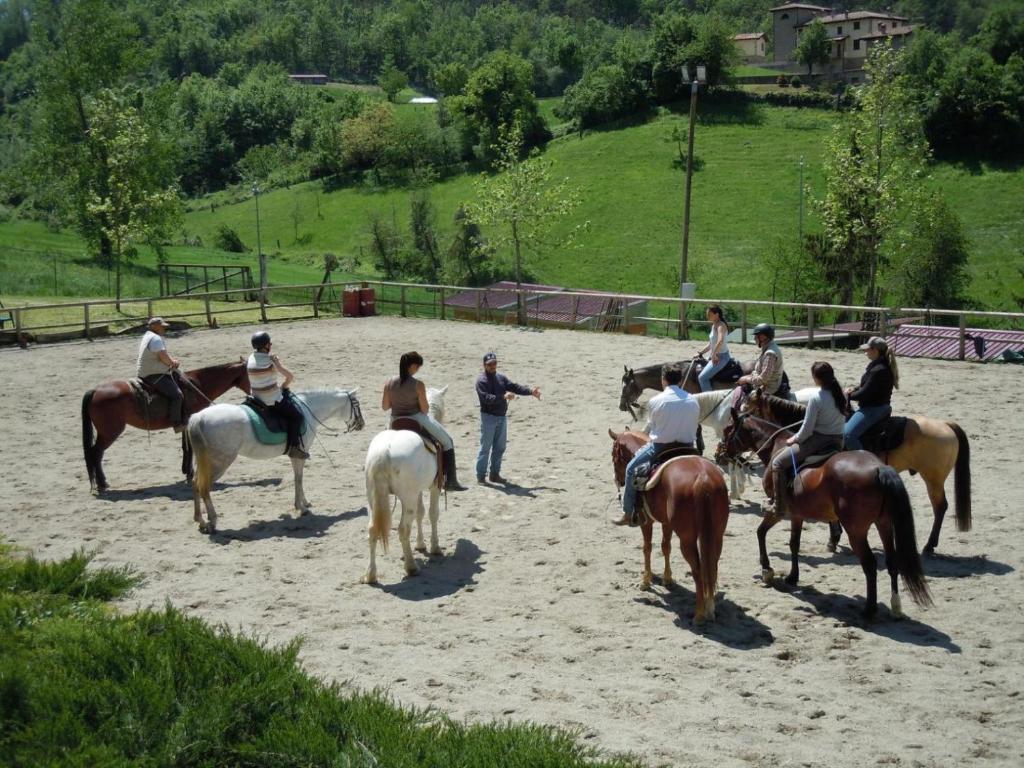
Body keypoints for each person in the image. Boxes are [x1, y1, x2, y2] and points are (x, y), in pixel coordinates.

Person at [612, 364, 700, 526]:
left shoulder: (656, 401)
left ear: (663, 380)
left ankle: (628, 512)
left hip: (662, 448)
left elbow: (650, 428)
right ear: (680, 380)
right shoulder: (693, 400)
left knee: (631, 469)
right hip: (689, 447)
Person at [765, 361, 846, 516]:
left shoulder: (816, 398)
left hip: (819, 440)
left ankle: (779, 506)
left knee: (778, 463)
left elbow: (807, 431)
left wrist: (794, 439)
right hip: (839, 439)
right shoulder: (840, 393)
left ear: (816, 378)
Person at [383, 351, 466, 491]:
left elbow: (385, 407)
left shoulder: (389, 383)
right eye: (418, 367)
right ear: (413, 366)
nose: (417, 370)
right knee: (447, 441)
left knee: (383, 446)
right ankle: (451, 481)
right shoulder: (418, 385)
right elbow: (425, 409)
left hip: (395, 420)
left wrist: (398, 402)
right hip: (416, 418)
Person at [475, 351, 541, 484]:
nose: (492, 366)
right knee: (485, 448)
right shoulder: (481, 381)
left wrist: (530, 392)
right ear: (484, 365)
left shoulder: (501, 378)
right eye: (489, 364)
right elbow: (486, 398)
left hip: (501, 417)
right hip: (488, 418)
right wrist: (503, 397)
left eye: (494, 363)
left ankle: (494, 475)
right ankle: (481, 477)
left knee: (500, 447)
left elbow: (514, 387)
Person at [247, 331, 308, 460]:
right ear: (266, 346)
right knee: (297, 416)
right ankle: (294, 447)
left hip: (255, 398)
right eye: (270, 343)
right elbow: (290, 376)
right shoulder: (271, 361)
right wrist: (283, 382)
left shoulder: (250, 358)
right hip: (271, 400)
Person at [844, 336, 899, 450]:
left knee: (847, 435)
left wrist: (846, 396)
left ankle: (862, 464)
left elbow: (864, 394)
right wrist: (854, 389)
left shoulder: (878, 370)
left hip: (873, 409)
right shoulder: (879, 366)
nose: (865, 352)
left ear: (875, 350)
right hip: (878, 406)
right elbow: (869, 385)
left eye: (867, 349)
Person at [136, 316, 185, 431]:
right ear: (154, 327)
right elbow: (163, 356)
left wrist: (171, 361)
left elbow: (161, 355)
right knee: (177, 395)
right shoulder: (156, 339)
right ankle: (177, 423)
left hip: (145, 371)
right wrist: (173, 362)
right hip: (154, 374)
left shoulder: (148, 336)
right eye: (162, 327)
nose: (164, 329)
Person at [737, 322, 785, 396]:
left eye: (756, 336)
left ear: (762, 337)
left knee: (743, 402)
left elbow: (763, 379)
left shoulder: (770, 354)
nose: (754, 339)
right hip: (765, 384)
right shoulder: (768, 348)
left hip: (768, 388)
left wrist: (746, 379)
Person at [696, 304, 731, 392]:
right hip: (715, 355)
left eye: (709, 314)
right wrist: (700, 353)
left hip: (721, 357)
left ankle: (710, 399)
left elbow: (720, 341)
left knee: (702, 378)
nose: (707, 317)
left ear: (716, 314)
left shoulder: (721, 326)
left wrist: (714, 354)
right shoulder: (714, 325)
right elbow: (710, 344)